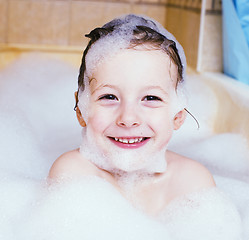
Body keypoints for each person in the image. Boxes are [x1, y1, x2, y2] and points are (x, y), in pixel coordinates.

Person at [48, 14, 215, 217]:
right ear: (81, 110)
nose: (128, 118)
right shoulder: (73, 174)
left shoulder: (192, 182)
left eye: (151, 98)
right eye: (109, 96)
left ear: (177, 116)